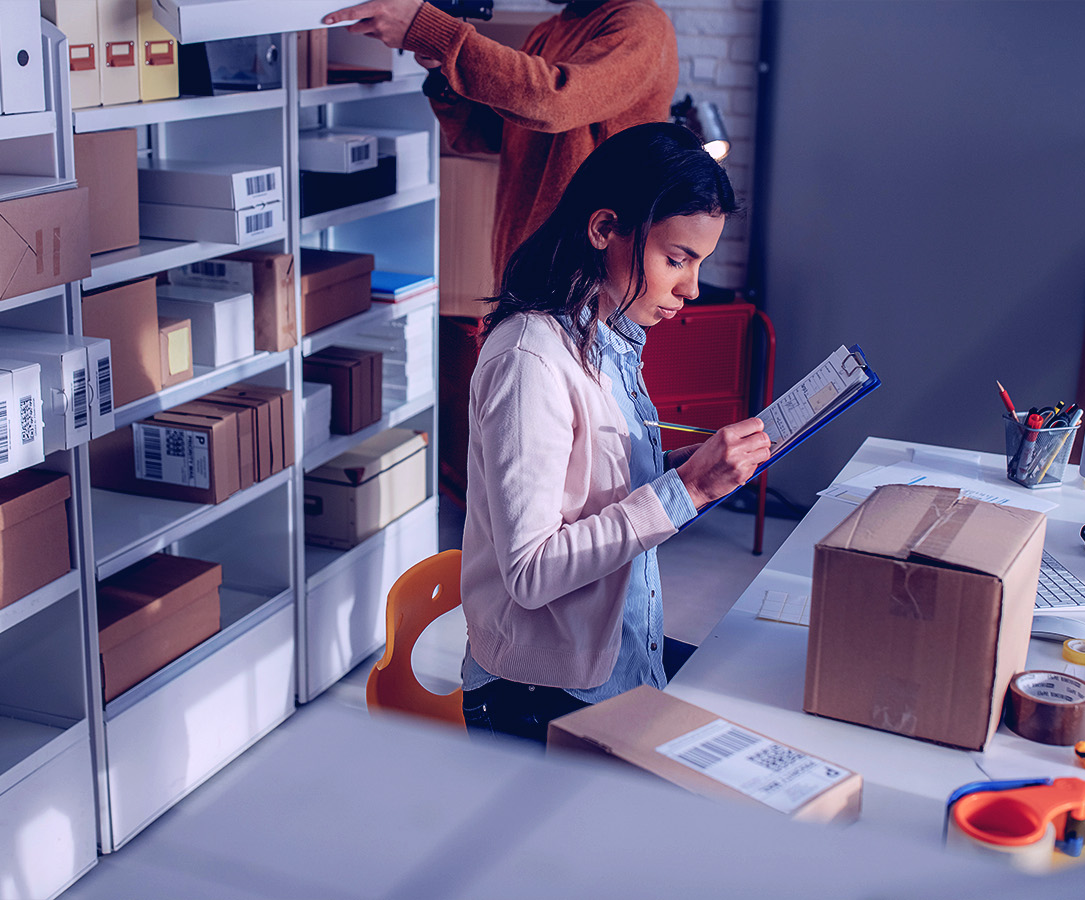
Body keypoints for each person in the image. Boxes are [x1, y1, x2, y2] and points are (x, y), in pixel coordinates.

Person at [452, 122, 769, 744]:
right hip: (539, 694)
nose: (691, 288)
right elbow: (532, 570)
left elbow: (594, 478)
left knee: (756, 697)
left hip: (618, 654)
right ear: (603, 230)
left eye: (698, 263)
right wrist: (689, 491)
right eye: (676, 259)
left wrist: (691, 468)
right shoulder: (529, 360)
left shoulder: (607, 336)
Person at [322, 0, 678, 280]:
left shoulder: (641, 25)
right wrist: (440, 69)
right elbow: (487, 133)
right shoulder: (549, 31)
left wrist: (434, 33)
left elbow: (554, 100)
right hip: (523, 267)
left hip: (585, 281)